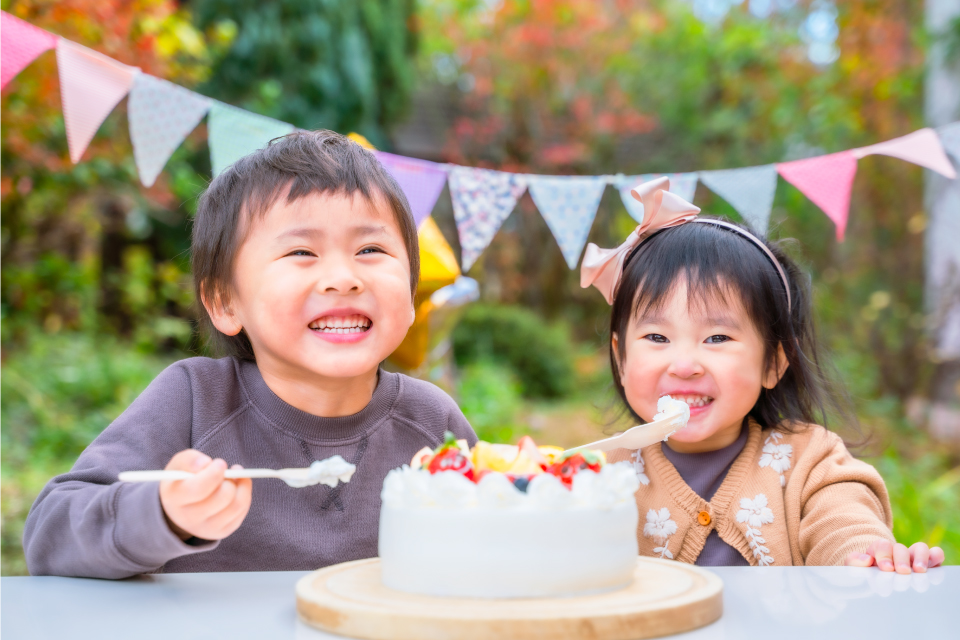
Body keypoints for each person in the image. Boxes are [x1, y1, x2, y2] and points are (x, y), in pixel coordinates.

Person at [23, 130, 477, 578]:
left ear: (412, 290)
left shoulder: (432, 424)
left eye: (370, 249)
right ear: (225, 302)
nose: (343, 277)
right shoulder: (195, 402)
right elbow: (50, 534)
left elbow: (491, 547)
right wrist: (162, 516)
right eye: (302, 251)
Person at [581, 177, 944, 572]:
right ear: (621, 359)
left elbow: (844, 522)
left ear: (773, 362)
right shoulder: (597, 476)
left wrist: (867, 556)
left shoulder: (810, 461)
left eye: (717, 337)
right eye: (656, 336)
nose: (684, 365)